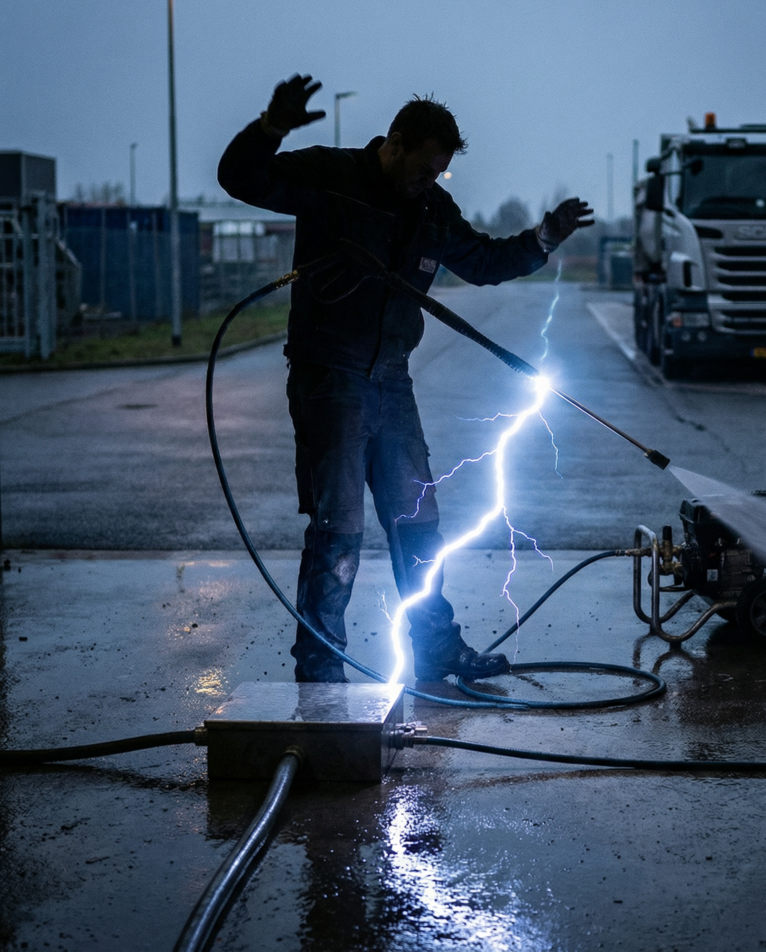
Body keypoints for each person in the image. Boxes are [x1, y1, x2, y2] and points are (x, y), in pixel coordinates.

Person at [218, 73, 593, 683]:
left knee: (418, 523)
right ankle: (321, 664)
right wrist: (271, 127)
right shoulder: (331, 175)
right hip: (331, 378)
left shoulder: (431, 210)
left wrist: (542, 238)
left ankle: (436, 648)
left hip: (392, 382)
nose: (429, 182)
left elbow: (482, 261)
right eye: (423, 169)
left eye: (439, 173)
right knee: (339, 529)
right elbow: (242, 179)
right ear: (393, 144)